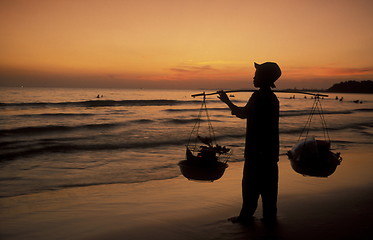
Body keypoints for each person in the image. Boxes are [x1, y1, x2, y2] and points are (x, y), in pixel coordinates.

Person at [218, 62, 280, 224]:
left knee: (250, 185)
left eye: (257, 75)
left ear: (264, 78)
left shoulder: (258, 97)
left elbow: (242, 113)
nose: (253, 77)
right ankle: (269, 217)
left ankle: (246, 216)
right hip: (270, 151)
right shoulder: (273, 98)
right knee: (269, 188)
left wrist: (226, 101)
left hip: (256, 150)